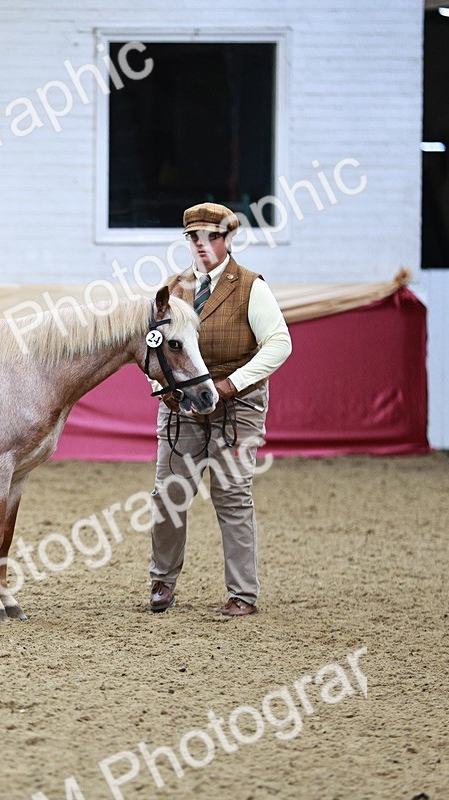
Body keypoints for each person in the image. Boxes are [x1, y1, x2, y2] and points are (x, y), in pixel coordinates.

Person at [149, 202, 292, 616]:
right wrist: (161, 385)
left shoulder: (250, 286)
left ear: (228, 239)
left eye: (211, 236)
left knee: (231, 494)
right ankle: (162, 581)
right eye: (194, 237)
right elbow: (153, 348)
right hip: (183, 405)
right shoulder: (174, 289)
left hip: (238, 406)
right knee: (169, 494)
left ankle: (243, 593)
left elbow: (280, 344)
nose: (202, 244)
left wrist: (233, 384)